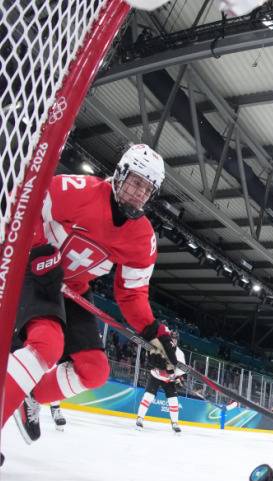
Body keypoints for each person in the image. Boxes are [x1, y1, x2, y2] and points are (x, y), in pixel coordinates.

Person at [3, 143, 178, 446]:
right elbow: (27, 206)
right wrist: (41, 248)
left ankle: (31, 392)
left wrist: (154, 333)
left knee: (94, 371)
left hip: (72, 291)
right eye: (136, 181)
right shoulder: (77, 189)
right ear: (120, 173)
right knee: (48, 343)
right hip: (36, 271)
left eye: (147, 189)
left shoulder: (142, 238)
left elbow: (132, 294)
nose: (139, 193)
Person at [136, 345, 185, 433]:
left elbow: (181, 369)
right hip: (155, 375)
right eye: (171, 338)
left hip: (168, 379)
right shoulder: (159, 345)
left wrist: (178, 377)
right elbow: (150, 358)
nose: (172, 341)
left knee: (173, 400)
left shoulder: (179, 353)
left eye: (174, 339)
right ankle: (140, 418)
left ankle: (175, 423)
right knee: (148, 396)